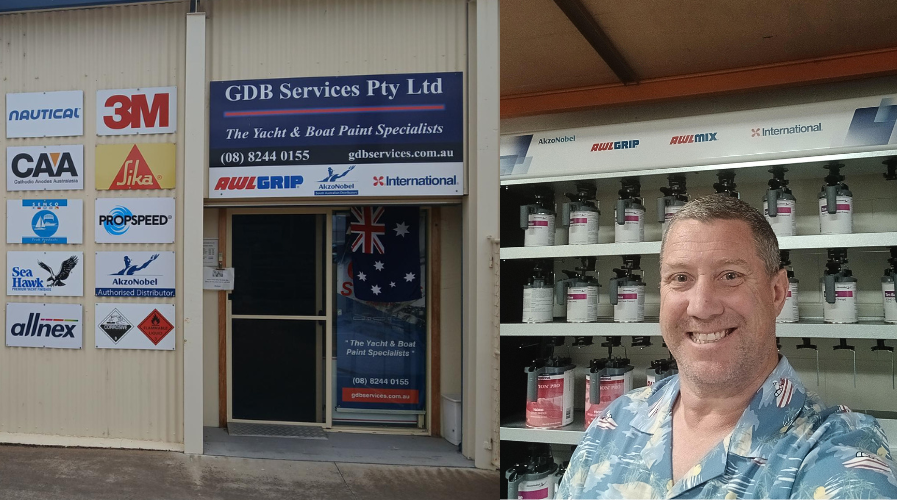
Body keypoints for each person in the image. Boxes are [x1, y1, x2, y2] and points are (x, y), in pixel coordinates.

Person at [555, 195, 897, 499]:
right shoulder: (615, 421)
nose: (701, 307)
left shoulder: (836, 450)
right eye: (681, 278)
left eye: (730, 275)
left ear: (777, 292)